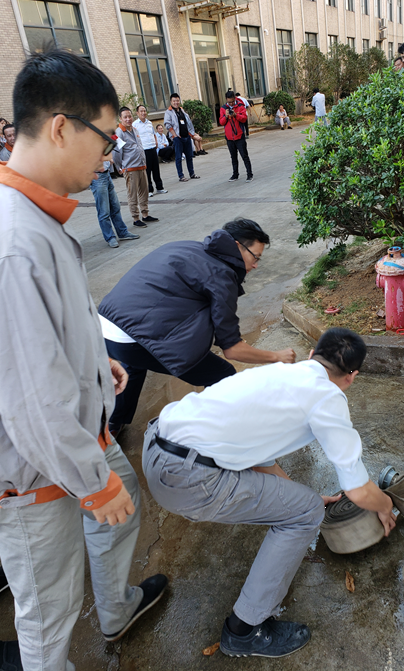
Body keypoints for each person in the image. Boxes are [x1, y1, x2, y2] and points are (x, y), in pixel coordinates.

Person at [0, 47, 167, 671]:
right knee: (50, 613)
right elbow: (29, 402)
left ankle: (118, 607)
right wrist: (93, 486)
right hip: (36, 472)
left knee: (122, 513)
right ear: (60, 127)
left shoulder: (40, 222)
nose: (111, 152)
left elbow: (50, 332)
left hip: (81, 434)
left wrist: (97, 362)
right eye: (106, 136)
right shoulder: (14, 244)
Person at [142, 327, 396, 659]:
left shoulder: (278, 375)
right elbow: (359, 491)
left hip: (156, 447)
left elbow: (260, 458)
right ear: (352, 376)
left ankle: (246, 625)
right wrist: (386, 504)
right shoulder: (327, 397)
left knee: (302, 503)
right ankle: (244, 631)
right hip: (187, 479)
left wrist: (292, 495)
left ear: (311, 356)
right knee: (306, 513)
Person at [97, 219, 296, 437]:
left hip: (106, 327)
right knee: (223, 375)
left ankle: (113, 423)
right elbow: (232, 349)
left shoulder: (188, 247)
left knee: (134, 364)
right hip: (133, 339)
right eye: (255, 257)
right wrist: (276, 356)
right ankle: (212, 433)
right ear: (237, 246)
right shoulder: (222, 276)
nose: (256, 265)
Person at [113, 107, 158, 228]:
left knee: (144, 191)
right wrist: (119, 167)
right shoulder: (118, 133)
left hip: (141, 165)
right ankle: (136, 218)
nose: (128, 119)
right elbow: (116, 153)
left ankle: (145, 214)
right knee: (132, 194)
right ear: (120, 118)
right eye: (125, 117)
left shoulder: (135, 129)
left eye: (129, 116)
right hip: (130, 168)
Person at [90, 160, 140, 248]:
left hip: (106, 173)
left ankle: (122, 232)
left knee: (115, 206)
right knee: (104, 211)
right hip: (97, 175)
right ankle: (110, 237)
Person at [163, 93, 200, 183]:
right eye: (174, 101)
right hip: (177, 138)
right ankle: (181, 176)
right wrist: (175, 135)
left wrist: (191, 134)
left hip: (186, 137)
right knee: (179, 157)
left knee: (189, 156)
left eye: (177, 100)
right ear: (171, 102)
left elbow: (188, 123)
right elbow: (168, 125)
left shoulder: (182, 110)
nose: (176, 102)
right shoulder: (168, 112)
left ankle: (192, 173)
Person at [132, 104, 167, 197]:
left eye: (144, 111)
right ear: (137, 113)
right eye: (141, 111)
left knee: (156, 169)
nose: (143, 113)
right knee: (147, 171)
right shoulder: (135, 124)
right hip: (144, 150)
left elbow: (153, 133)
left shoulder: (149, 123)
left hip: (152, 148)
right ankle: (149, 190)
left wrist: (156, 142)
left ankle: (160, 187)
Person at [220, 91, 253, 182]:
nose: (231, 103)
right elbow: (221, 122)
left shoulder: (240, 106)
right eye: (229, 102)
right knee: (233, 157)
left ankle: (249, 174)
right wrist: (226, 116)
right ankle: (235, 174)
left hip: (239, 136)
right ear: (226, 100)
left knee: (244, 156)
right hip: (229, 138)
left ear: (235, 98)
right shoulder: (223, 108)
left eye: (232, 101)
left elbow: (244, 119)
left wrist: (236, 115)